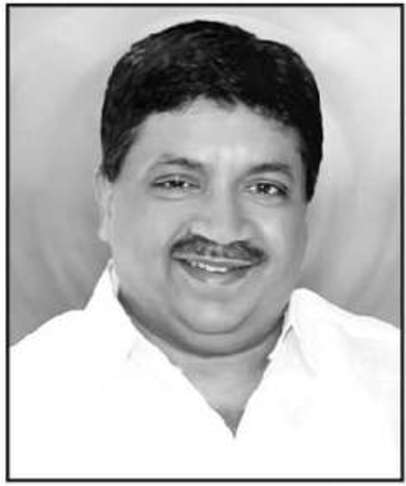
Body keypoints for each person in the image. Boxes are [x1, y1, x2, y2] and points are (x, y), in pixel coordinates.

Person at [10, 19, 399, 479]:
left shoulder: (391, 381)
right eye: (178, 183)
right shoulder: (20, 407)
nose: (223, 229)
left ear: (303, 214)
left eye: (265, 188)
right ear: (107, 201)